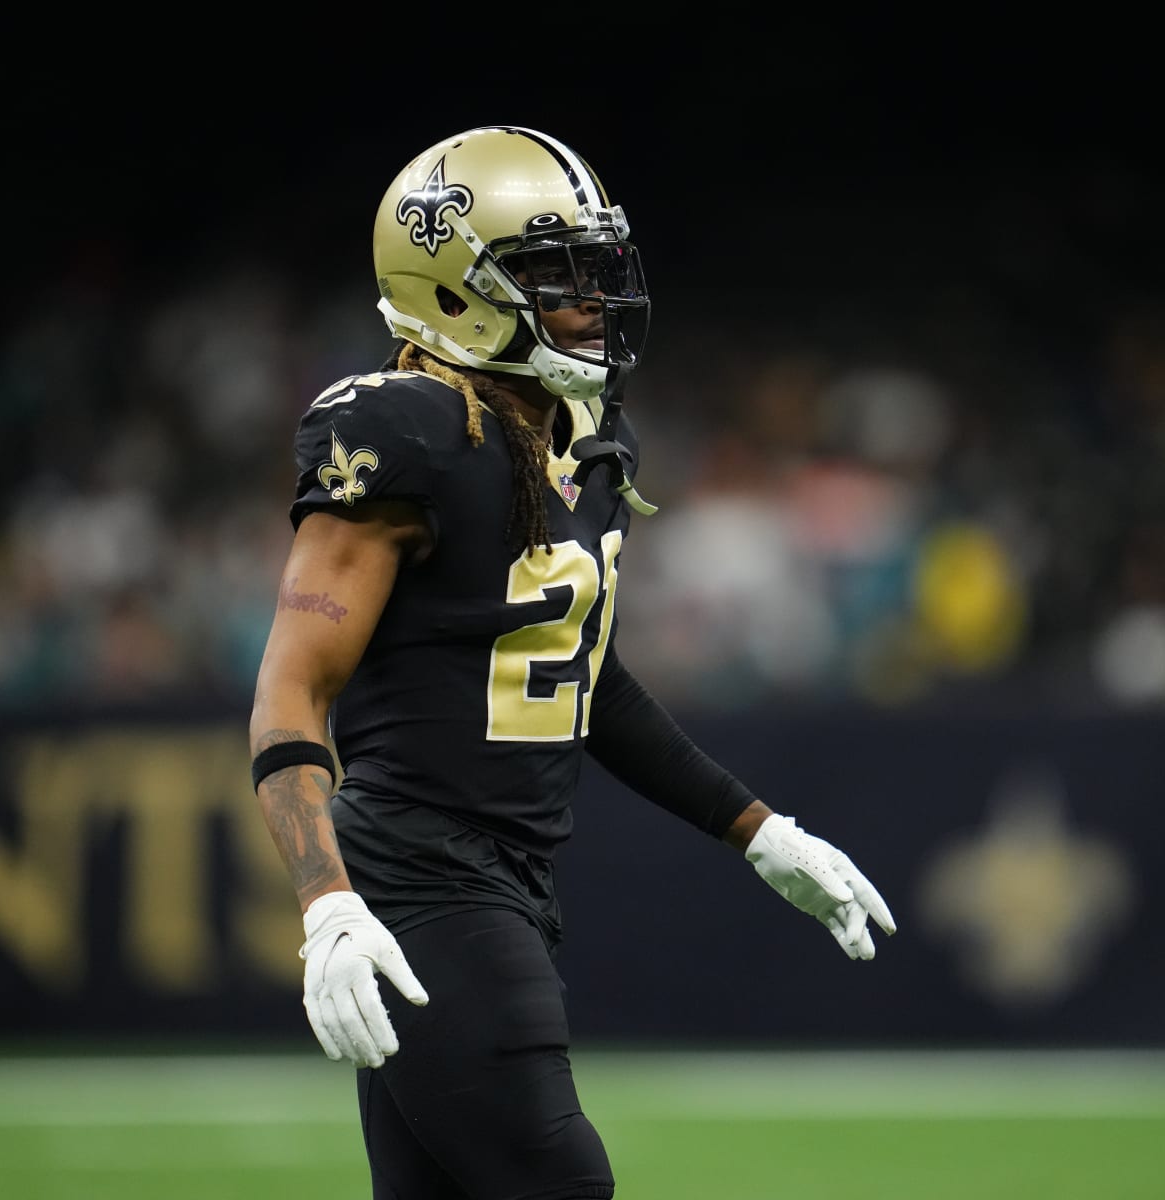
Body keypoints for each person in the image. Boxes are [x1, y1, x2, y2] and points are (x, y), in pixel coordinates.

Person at [247, 125, 895, 1200]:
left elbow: (581, 672)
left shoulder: (583, 435)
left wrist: (758, 830)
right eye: (554, 277)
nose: (592, 303)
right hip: (420, 884)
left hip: (511, 880)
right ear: (454, 290)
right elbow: (292, 687)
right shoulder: (409, 433)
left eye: (596, 272)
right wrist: (327, 902)